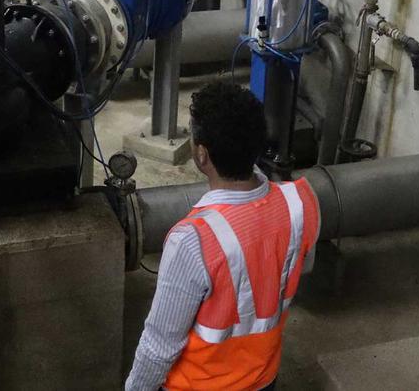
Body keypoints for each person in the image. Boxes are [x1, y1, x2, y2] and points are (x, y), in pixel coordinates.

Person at [126, 81, 321, 391]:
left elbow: (159, 346)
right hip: (263, 380)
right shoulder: (300, 204)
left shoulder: (192, 241)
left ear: (202, 155)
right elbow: (296, 270)